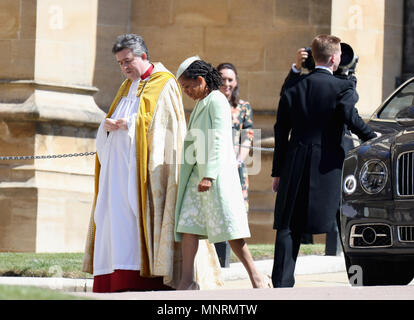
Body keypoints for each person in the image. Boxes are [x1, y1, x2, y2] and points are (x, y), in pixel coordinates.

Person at [81, 34, 221, 293]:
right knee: (116, 223)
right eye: (120, 63)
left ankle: (144, 279)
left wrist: (129, 125)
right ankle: (114, 280)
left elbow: (166, 131)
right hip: (119, 174)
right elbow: (117, 119)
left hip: (147, 176)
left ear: (144, 56)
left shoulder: (164, 83)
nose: (124, 68)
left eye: (128, 61)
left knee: (138, 225)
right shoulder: (126, 86)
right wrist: (108, 127)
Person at [271, 34, 377, 288]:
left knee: (288, 225)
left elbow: (280, 129)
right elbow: (349, 116)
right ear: (333, 59)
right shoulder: (343, 86)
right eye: (339, 55)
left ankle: (281, 285)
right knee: (347, 220)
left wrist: (278, 170)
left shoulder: (294, 86)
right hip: (332, 165)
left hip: (295, 162)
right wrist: (371, 137)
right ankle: (359, 280)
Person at [174, 56, 271, 290]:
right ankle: (187, 281)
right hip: (196, 177)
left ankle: (257, 276)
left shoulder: (217, 100)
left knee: (230, 230)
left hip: (214, 177)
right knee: (188, 226)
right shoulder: (201, 102)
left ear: (200, 80)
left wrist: (209, 175)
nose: (186, 91)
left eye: (188, 86)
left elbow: (218, 139)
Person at [213, 63, 254, 267]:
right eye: (222, 78)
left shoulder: (243, 107)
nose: (226, 83)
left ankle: (229, 259)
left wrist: (237, 160)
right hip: (213, 166)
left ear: (236, 82)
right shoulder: (209, 103)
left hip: (236, 168)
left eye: (230, 79)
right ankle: (216, 259)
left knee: (235, 211)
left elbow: (248, 136)